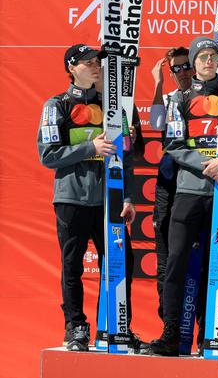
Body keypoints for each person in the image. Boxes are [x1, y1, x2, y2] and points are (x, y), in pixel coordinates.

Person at [149, 36, 218, 355]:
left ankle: (210, 335)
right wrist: (206, 164)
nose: (208, 61)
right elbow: (172, 143)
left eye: (213, 56)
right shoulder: (180, 99)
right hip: (187, 192)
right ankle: (171, 333)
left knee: (216, 264)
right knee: (176, 262)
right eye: (202, 57)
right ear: (194, 63)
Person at [38, 44, 136, 352]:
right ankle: (75, 327)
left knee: (122, 263)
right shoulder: (57, 105)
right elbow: (48, 154)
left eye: (97, 62)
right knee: (72, 266)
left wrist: (129, 196)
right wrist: (89, 148)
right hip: (72, 198)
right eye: (88, 62)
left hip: (110, 198)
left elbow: (126, 156)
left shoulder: (113, 107)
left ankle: (117, 328)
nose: (95, 66)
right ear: (72, 68)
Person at [148, 47, 195, 319]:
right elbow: (156, 123)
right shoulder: (167, 97)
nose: (183, 72)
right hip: (169, 184)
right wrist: (157, 84)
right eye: (176, 68)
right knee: (166, 258)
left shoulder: (209, 96)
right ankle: (168, 322)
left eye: (187, 65)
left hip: (198, 183)